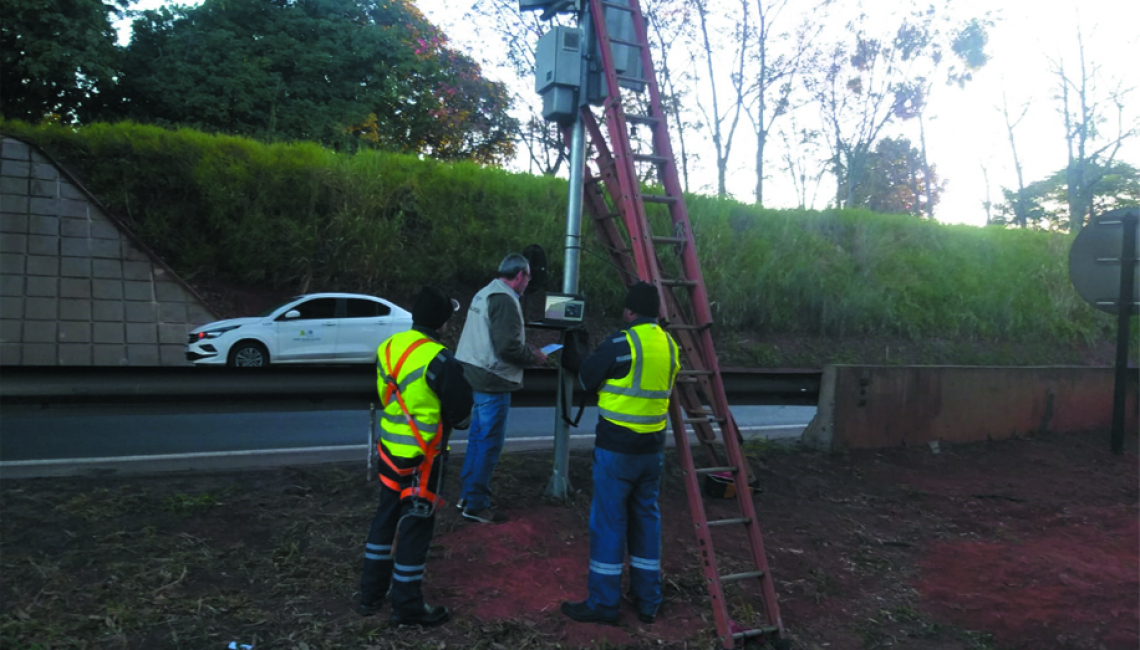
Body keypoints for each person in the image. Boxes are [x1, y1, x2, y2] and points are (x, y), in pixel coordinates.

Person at [562, 281, 680, 626]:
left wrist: (580, 352)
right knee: (646, 520)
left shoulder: (623, 342)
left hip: (617, 450)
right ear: (656, 312)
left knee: (609, 522)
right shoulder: (670, 345)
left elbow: (587, 376)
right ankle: (648, 600)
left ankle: (603, 603)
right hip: (653, 450)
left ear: (630, 312)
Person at [358, 286, 473, 627]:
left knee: (385, 518)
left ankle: (370, 595)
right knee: (415, 527)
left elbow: (382, 395)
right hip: (424, 459)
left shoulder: (388, 348)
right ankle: (407, 607)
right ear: (443, 324)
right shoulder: (440, 360)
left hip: (390, 451)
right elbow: (463, 418)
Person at [454, 253, 548, 524]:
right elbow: (506, 346)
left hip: (473, 373)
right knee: (489, 443)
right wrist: (534, 355)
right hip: (492, 379)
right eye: (528, 277)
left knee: (478, 439)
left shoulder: (485, 292)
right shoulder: (505, 300)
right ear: (519, 276)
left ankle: (467, 497)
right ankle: (477, 504)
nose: (528, 282)